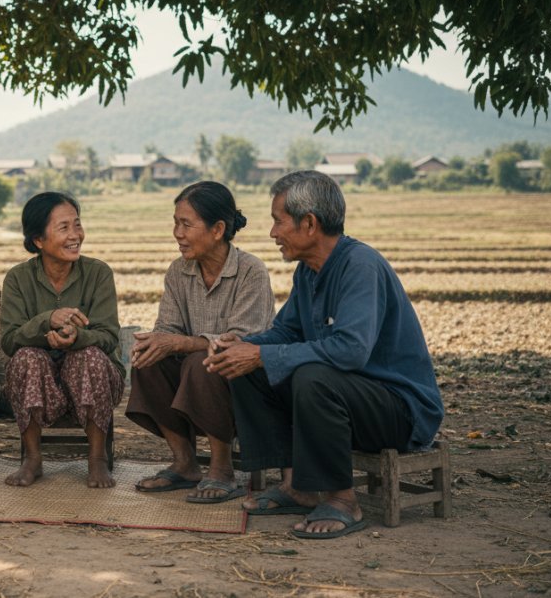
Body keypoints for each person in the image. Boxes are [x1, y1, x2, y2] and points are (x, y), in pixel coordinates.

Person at [206, 171, 444, 539]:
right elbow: (288, 331)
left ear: (310, 223)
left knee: (310, 376)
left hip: (398, 408)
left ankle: (342, 500)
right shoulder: (309, 271)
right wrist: (244, 345)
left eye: (277, 221)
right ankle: (296, 486)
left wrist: (262, 355)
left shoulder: (360, 266)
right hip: (348, 398)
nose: (272, 232)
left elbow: (350, 351)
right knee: (249, 367)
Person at [126, 181, 274, 502]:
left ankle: (222, 469)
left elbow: (239, 341)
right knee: (147, 359)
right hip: (198, 380)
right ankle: (185, 464)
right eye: (175, 223)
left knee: (202, 361)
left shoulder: (251, 272)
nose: (177, 233)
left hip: (247, 385)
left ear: (218, 229)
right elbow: (167, 329)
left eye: (186, 224)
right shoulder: (179, 272)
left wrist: (180, 344)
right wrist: (156, 342)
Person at [0, 192, 124, 488]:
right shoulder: (18, 278)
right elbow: (9, 340)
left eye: (77, 225)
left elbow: (108, 337)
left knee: (89, 355)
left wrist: (77, 337)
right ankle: (32, 458)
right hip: (41, 385)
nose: (75, 236)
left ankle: (97, 459)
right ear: (38, 240)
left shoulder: (97, 273)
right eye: (64, 228)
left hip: (96, 381)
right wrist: (48, 319)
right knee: (26, 357)